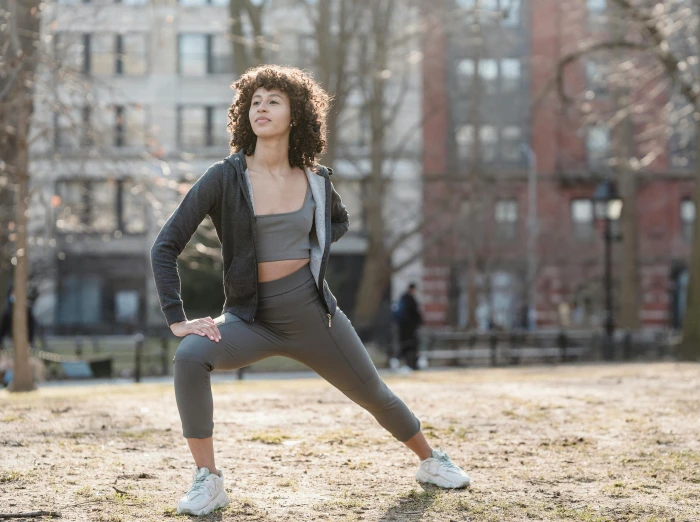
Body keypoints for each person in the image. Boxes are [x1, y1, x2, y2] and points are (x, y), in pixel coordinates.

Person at [150, 65, 470, 517]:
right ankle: (209, 479)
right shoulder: (224, 177)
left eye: (274, 101)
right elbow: (165, 245)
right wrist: (176, 317)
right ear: (244, 112)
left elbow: (338, 221)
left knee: (374, 393)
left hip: (313, 314)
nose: (261, 107)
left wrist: (311, 253)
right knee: (190, 357)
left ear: (296, 114)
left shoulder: (316, 180)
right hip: (249, 318)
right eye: (255, 101)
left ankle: (431, 461)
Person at [396, 282, 423, 370]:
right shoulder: (410, 299)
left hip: (403, 328)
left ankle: (403, 363)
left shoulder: (403, 298)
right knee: (411, 346)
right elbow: (415, 313)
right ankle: (411, 365)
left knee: (404, 346)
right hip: (410, 329)